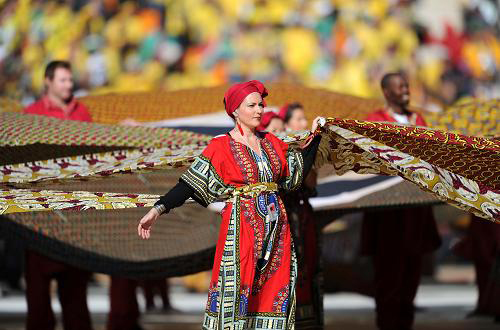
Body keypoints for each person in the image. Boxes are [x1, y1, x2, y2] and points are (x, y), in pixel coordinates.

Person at [138, 80, 322, 330]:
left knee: (273, 291)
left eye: (261, 105)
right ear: (235, 110)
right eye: (252, 105)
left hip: (276, 232)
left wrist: (316, 136)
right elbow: (190, 184)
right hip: (242, 231)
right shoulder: (221, 146)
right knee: (237, 293)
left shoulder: (272, 142)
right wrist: (158, 209)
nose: (259, 110)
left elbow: (295, 177)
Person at [361, 72, 441, 330]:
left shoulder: (419, 119)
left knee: (411, 277)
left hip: (415, 212)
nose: (406, 90)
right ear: (386, 91)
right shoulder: (375, 120)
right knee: (388, 278)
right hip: (388, 213)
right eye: (400, 86)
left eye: (407, 85)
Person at [23, 60, 93, 330]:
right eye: (63, 80)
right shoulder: (31, 114)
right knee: (38, 295)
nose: (69, 85)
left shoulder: (81, 112)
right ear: (47, 81)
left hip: (75, 213)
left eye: (70, 80)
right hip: (41, 214)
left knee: (75, 292)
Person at [280, 102, 324, 329]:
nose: (303, 123)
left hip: (303, 218)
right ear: (286, 125)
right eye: (298, 119)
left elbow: (311, 182)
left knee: (309, 267)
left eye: (304, 119)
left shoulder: (303, 149)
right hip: (287, 219)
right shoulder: (279, 150)